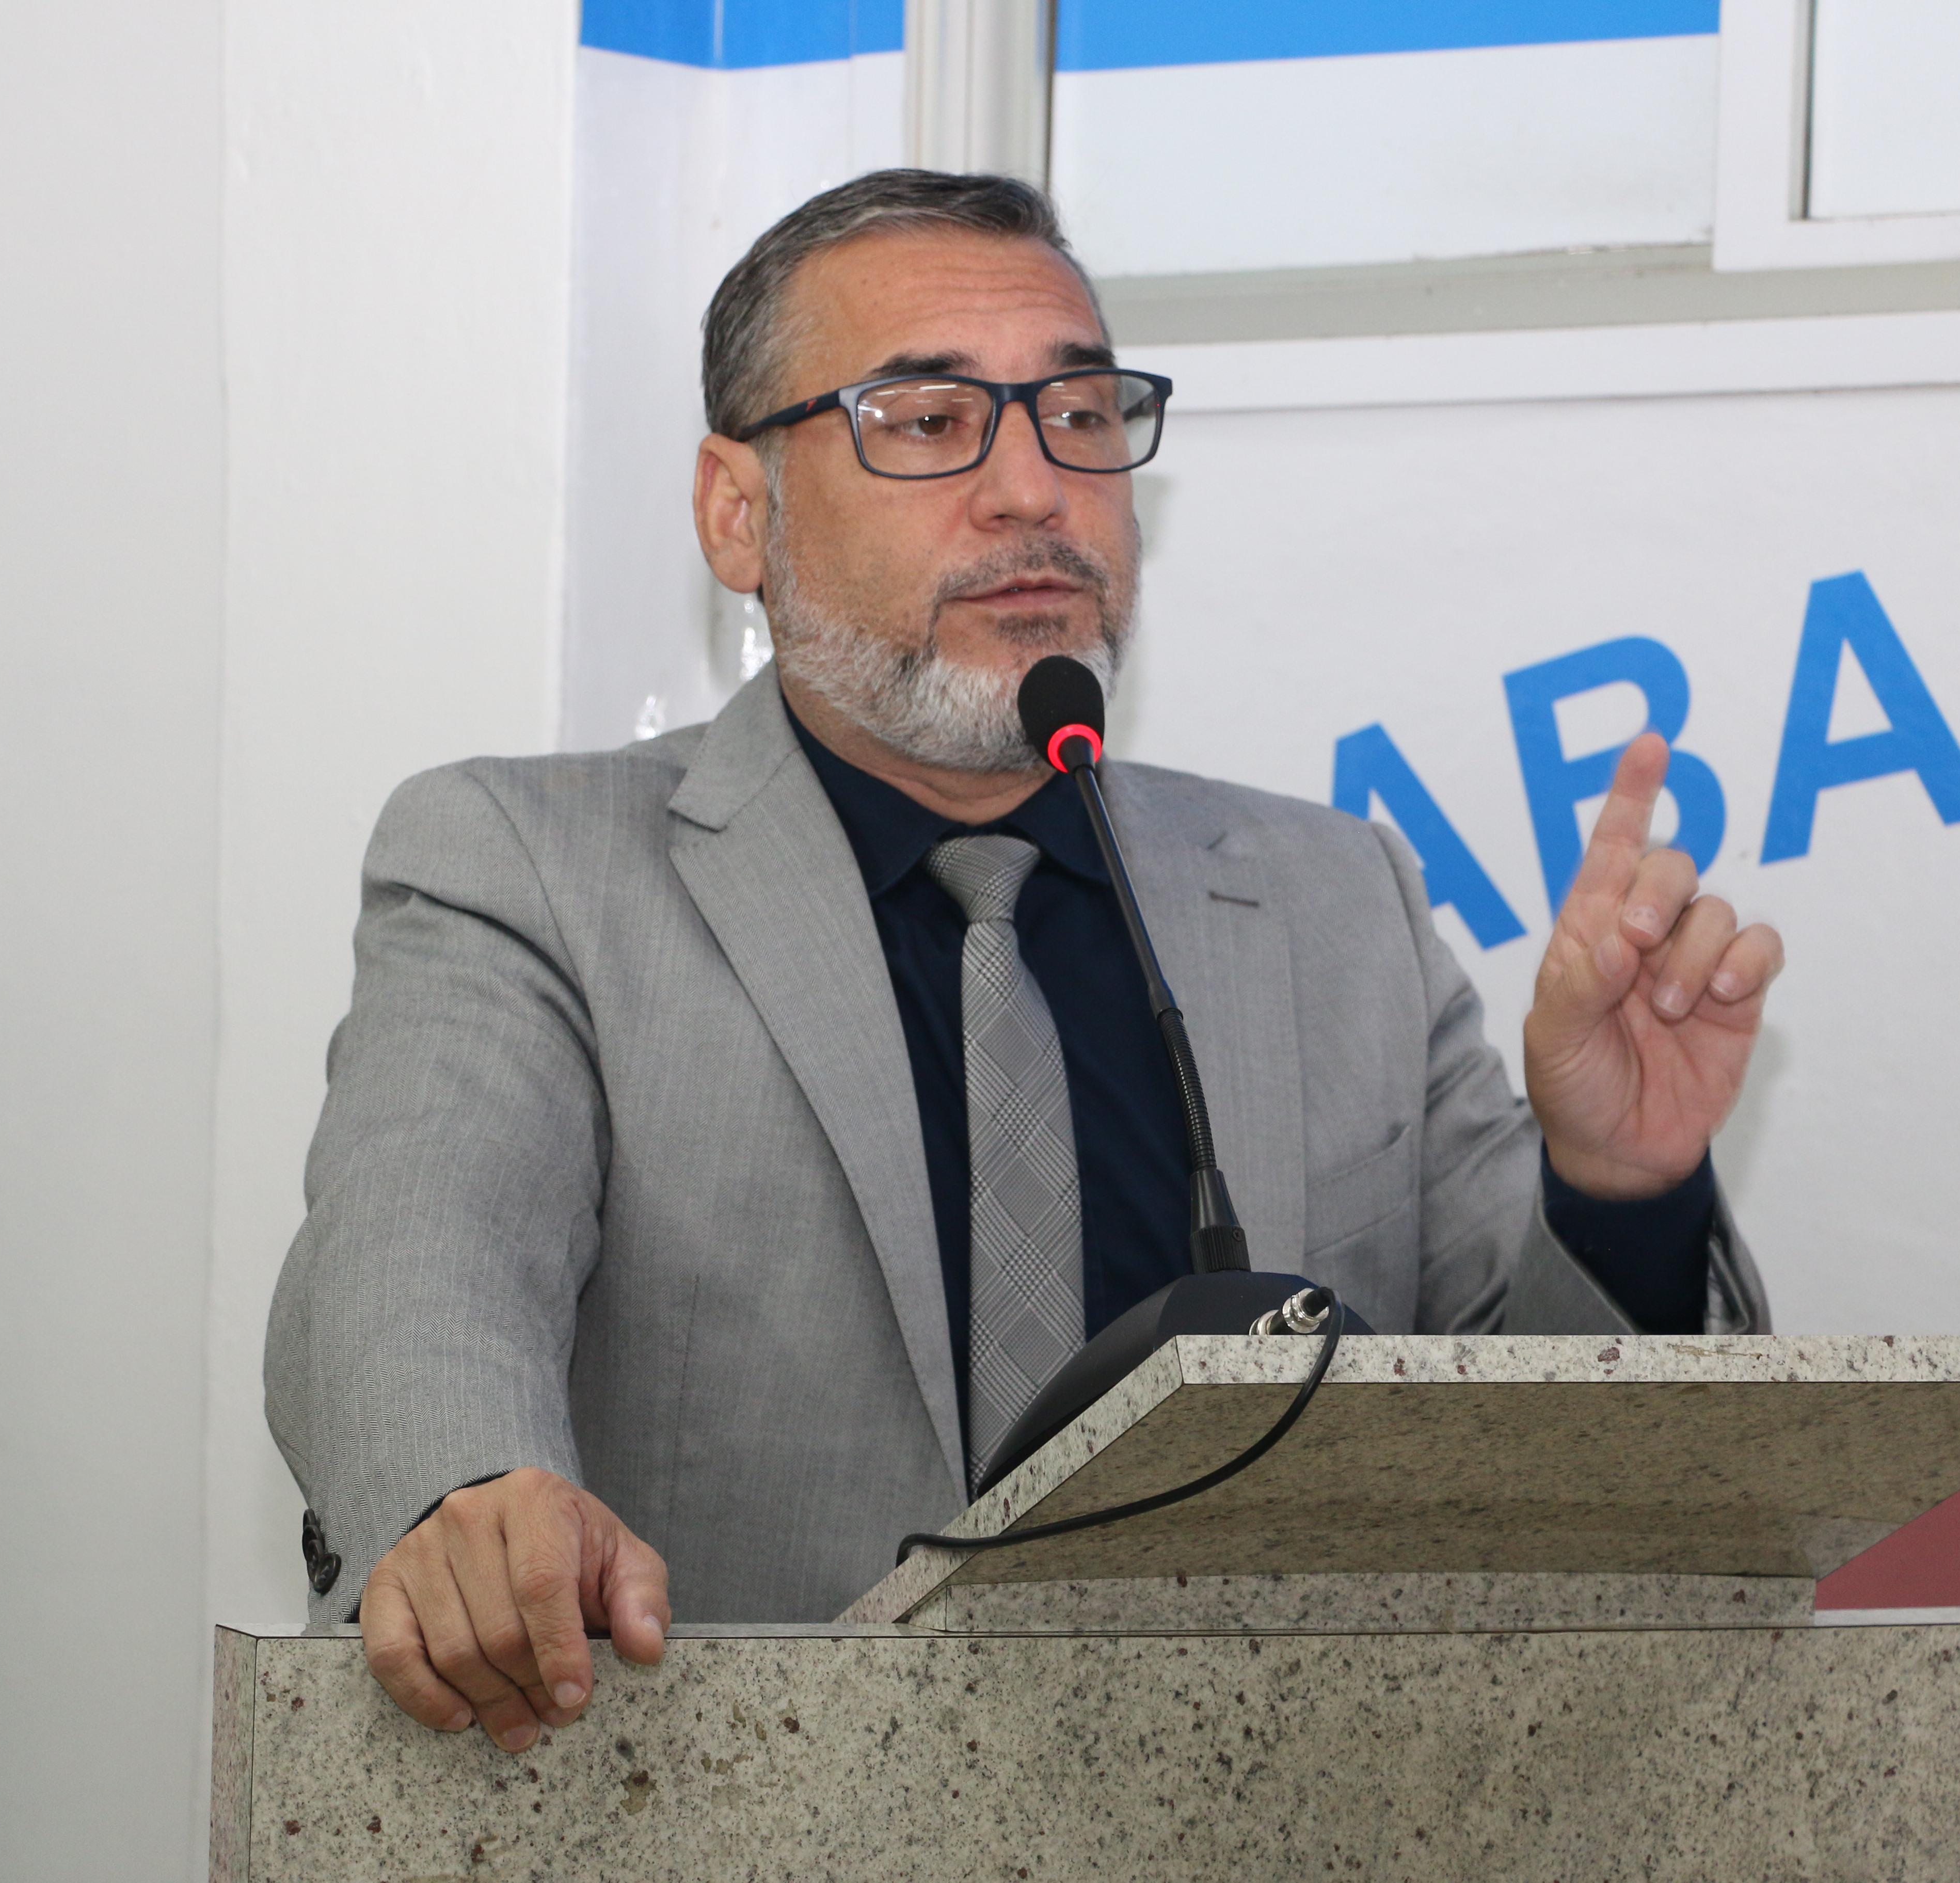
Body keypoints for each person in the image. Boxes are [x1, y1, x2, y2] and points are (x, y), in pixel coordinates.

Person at [264, 170, 1783, 1758]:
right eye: (928, 422)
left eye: (1078, 415)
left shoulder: (1336, 902)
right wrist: (466, 1489)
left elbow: (1547, 1480)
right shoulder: (530, 867)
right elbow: (419, 1247)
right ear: (738, 510)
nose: (1031, 489)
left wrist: (1620, 1189)